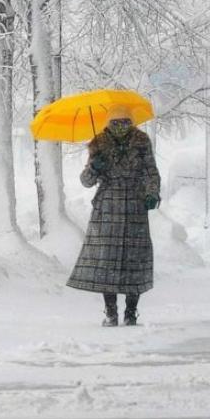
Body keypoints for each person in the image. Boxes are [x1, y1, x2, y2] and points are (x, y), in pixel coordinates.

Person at [67, 105, 161, 327]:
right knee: (106, 261)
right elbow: (86, 181)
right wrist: (94, 167)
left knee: (133, 259)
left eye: (124, 122)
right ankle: (111, 312)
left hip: (134, 207)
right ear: (109, 123)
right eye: (116, 123)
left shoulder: (141, 142)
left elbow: (151, 171)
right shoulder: (98, 144)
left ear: (131, 122)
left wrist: (152, 193)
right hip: (107, 207)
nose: (120, 127)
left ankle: (130, 312)